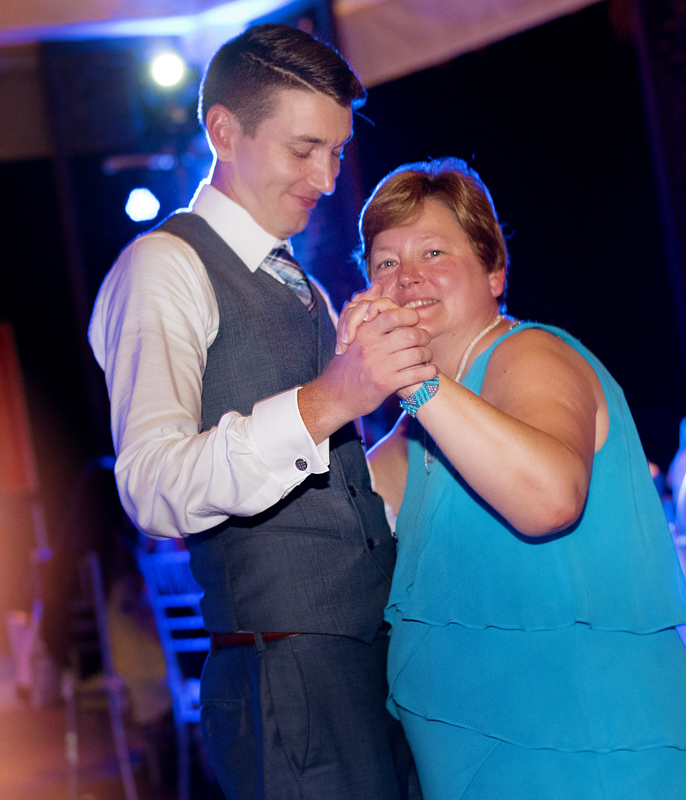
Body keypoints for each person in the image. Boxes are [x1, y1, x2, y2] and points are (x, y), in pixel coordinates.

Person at [89, 24, 432, 799]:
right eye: (304, 148)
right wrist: (333, 396)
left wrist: (417, 398)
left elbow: (338, 495)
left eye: (338, 151)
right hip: (287, 678)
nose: (327, 174)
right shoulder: (162, 267)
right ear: (224, 132)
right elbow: (151, 485)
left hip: (371, 660)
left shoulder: (301, 286)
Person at [341, 158, 686, 798]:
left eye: (433, 251)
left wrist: (413, 380)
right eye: (385, 262)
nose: (406, 276)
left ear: (495, 271)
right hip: (474, 769)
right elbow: (326, 538)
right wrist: (347, 389)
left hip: (585, 762)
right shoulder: (422, 429)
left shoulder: (528, 354)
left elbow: (551, 498)